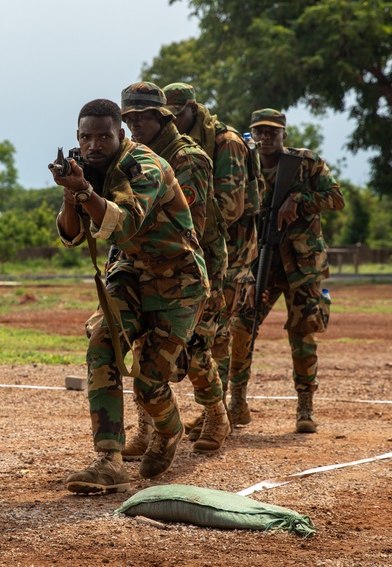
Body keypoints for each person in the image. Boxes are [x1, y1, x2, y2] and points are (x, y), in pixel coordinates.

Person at [52, 98, 208, 494]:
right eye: (86, 137)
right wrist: (74, 194)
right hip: (131, 272)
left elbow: (125, 224)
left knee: (149, 383)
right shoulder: (86, 169)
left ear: (120, 135)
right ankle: (109, 459)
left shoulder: (144, 166)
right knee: (102, 342)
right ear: (77, 137)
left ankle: (169, 431)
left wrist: (85, 192)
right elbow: (71, 236)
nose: (93, 145)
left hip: (179, 280)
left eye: (104, 136)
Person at [118, 82, 231, 456]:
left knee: (195, 346)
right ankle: (147, 428)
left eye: (143, 117)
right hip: (144, 261)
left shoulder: (188, 158)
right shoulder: (131, 157)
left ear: (161, 116)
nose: (135, 125)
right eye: (129, 119)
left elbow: (191, 229)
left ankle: (216, 414)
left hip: (192, 264)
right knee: (141, 345)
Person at [230, 108, 345, 433]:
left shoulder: (306, 163)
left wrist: (299, 198)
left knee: (302, 334)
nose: (266, 138)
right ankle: (236, 402)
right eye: (260, 132)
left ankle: (305, 408)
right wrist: (248, 273)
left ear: (284, 134)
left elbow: (336, 198)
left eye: (272, 132)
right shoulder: (245, 167)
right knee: (240, 329)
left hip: (303, 267)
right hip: (261, 263)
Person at [163, 82, 260, 428]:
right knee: (207, 332)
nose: (172, 122)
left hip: (232, 252)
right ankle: (215, 411)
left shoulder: (227, 144)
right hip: (201, 246)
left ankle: (225, 411)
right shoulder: (175, 144)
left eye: (177, 115)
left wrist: (176, 219)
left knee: (218, 332)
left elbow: (230, 207)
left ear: (193, 108)